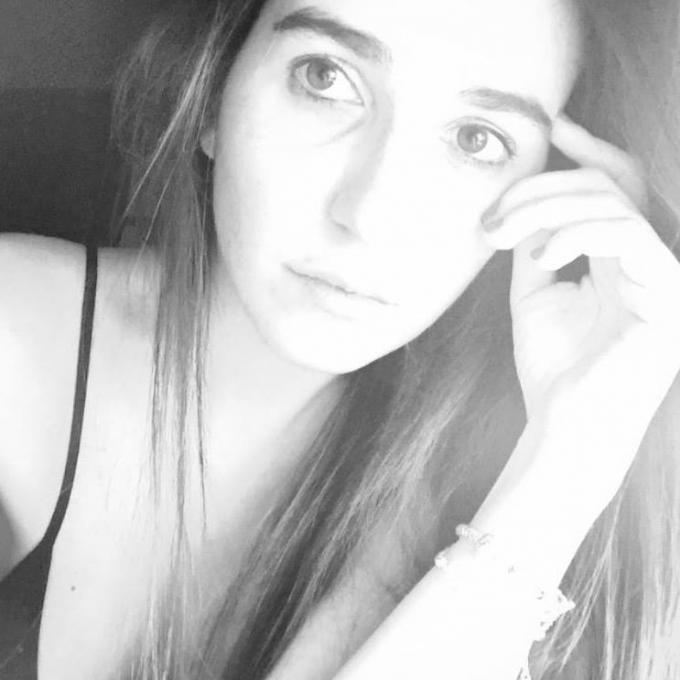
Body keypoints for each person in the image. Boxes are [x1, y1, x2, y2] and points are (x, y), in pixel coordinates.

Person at [0, 0, 679, 678]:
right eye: (324, 78)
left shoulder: (467, 493)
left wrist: (576, 452)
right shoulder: (16, 334)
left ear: (553, 196)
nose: (370, 212)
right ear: (212, 95)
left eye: (477, 139)